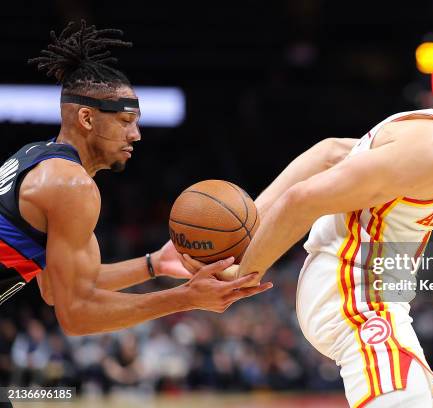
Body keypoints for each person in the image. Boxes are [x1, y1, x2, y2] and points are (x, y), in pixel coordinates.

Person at [185, 63, 433, 407]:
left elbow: (331, 152)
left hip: (364, 297)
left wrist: (251, 218)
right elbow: (302, 199)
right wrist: (243, 274)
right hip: (357, 298)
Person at [0, 20, 273, 336]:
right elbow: (75, 314)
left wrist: (153, 264)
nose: (137, 135)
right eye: (126, 121)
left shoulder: (37, 156)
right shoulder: (70, 185)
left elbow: (58, 287)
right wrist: (186, 297)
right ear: (87, 118)